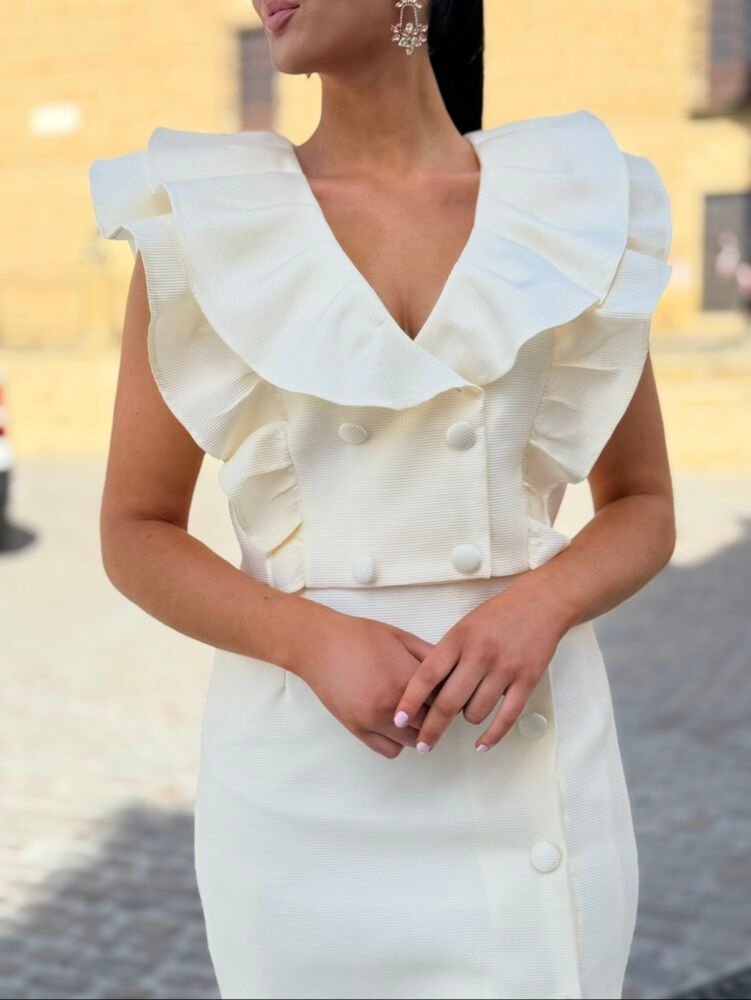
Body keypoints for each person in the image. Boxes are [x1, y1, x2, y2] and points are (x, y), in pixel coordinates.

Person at [88, 1, 675, 997]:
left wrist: (541, 603)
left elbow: (644, 503)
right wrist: (307, 639)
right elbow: (132, 530)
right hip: (299, 793)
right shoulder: (205, 221)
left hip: (523, 759)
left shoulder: (568, 211)